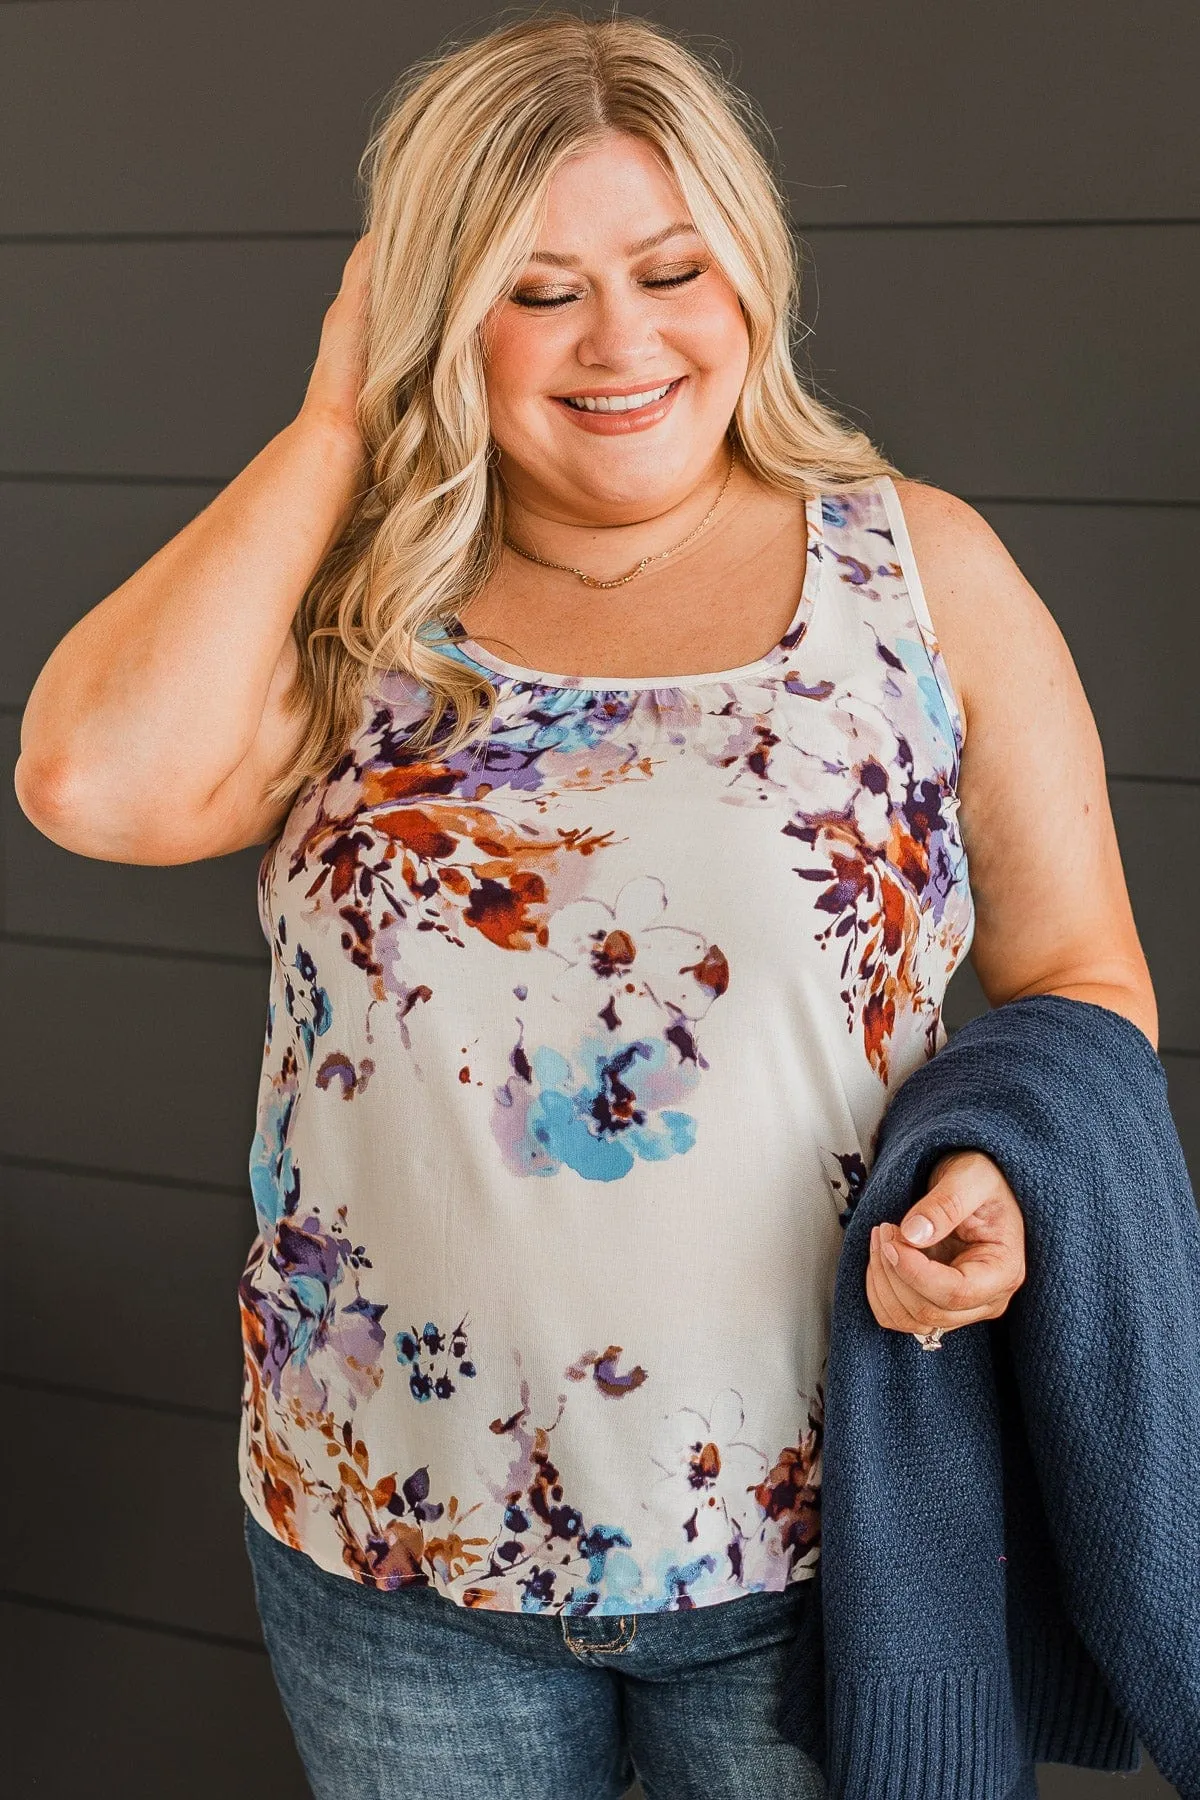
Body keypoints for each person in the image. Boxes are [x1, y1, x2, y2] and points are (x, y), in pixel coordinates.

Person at [14, 12, 1158, 1800]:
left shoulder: (915, 573)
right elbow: (91, 783)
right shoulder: (348, 608)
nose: (620, 342)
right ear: (434, 317)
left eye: (669, 269)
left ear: (749, 277)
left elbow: (1083, 975)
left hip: (813, 1542)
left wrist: (1003, 1175)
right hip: (390, 1543)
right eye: (534, 289)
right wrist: (337, 420)